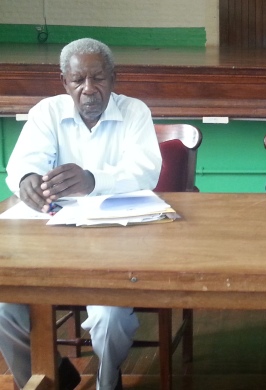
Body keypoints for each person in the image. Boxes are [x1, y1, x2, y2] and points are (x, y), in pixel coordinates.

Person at [0, 38, 162, 390]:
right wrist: (27, 179)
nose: (89, 89)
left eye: (98, 78)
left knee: (108, 315)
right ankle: (53, 376)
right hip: (53, 241)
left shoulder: (135, 112)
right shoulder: (48, 112)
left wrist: (92, 180)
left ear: (113, 79)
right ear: (65, 82)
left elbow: (146, 172)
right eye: (78, 80)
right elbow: (22, 163)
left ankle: (108, 380)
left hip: (118, 241)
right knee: (4, 305)